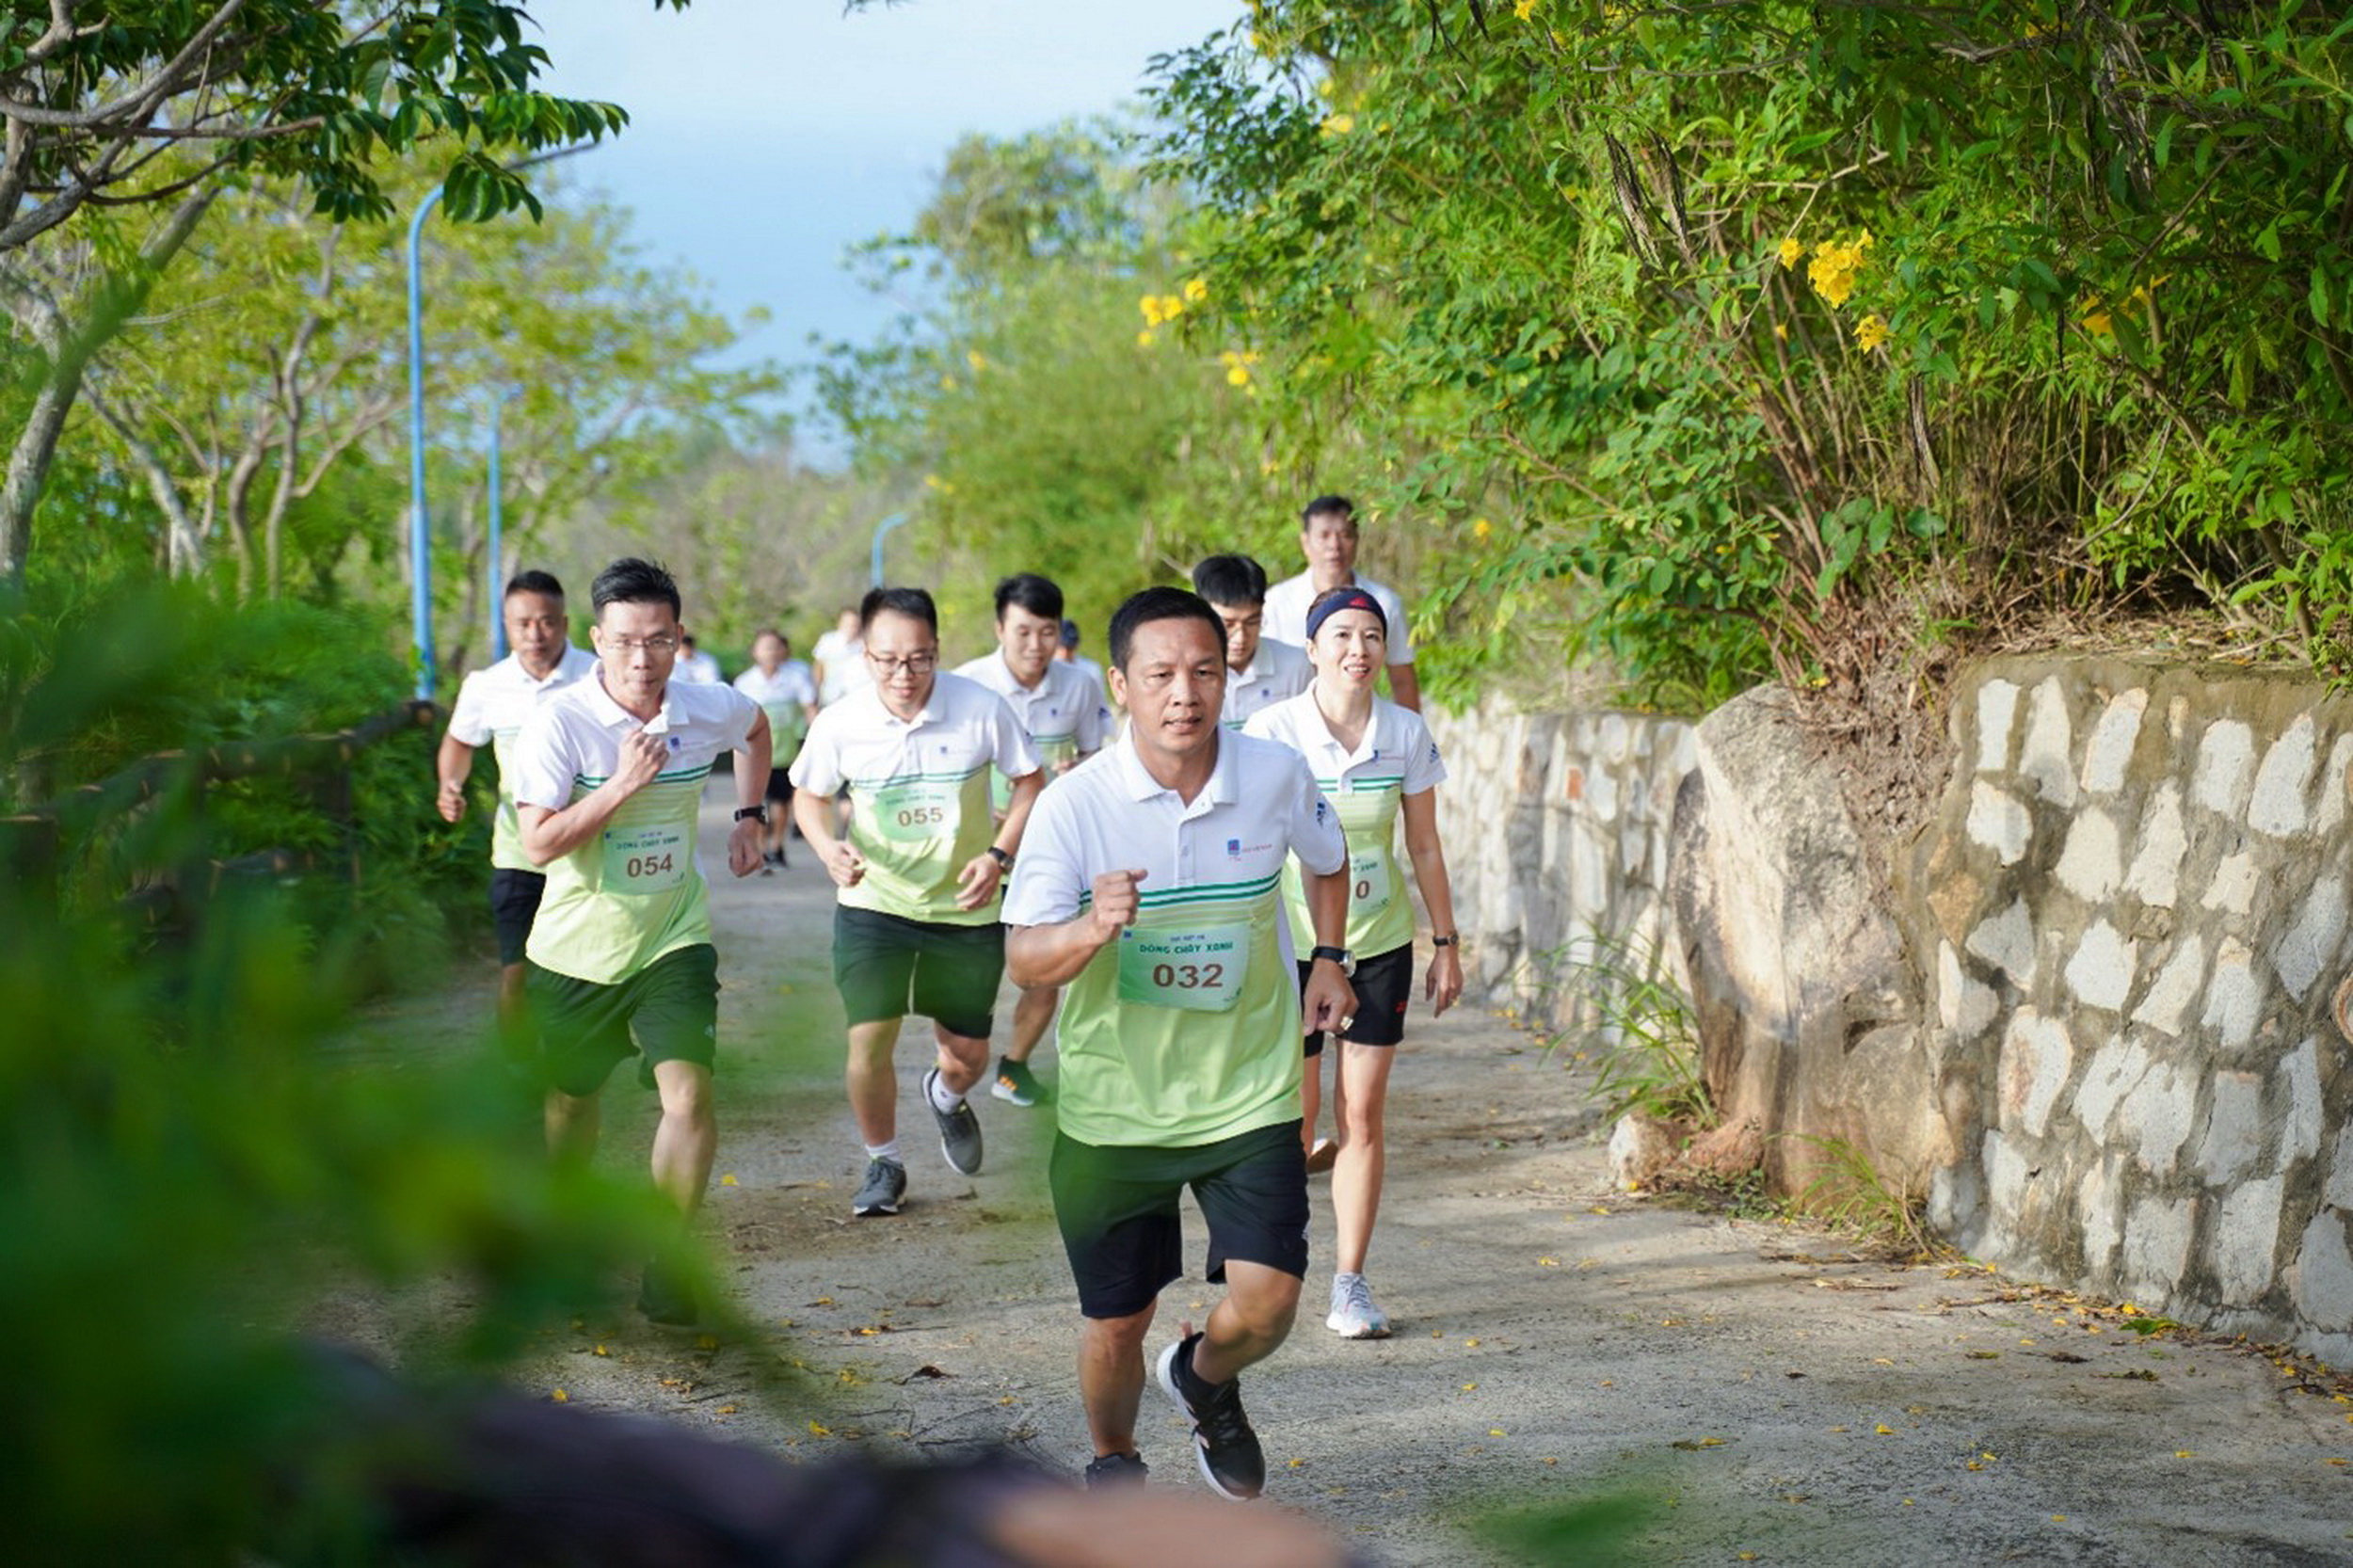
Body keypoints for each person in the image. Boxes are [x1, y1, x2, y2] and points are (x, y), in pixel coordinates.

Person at [1003, 586, 1356, 1500]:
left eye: (1204, 670)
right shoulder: (1075, 807)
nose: (1184, 693)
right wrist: (1090, 929)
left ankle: (1201, 1376)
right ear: (1120, 683)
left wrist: (1328, 956)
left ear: (1225, 675)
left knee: (1272, 1299)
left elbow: (1328, 859)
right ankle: (1113, 1459)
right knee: (1117, 1318)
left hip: (1247, 1089)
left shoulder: (1274, 774)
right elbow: (1024, 958)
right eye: (1159, 674)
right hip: (1115, 1106)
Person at [508, 557, 772, 1327]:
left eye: (658, 641)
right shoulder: (560, 722)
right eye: (624, 642)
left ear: (679, 639)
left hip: (672, 938)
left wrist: (749, 817)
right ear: (596, 640)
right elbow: (538, 844)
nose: (641, 659)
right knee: (571, 1105)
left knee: (688, 1095)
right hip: (575, 952)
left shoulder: (704, 706)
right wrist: (621, 785)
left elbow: (756, 727)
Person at [1244, 585, 1463, 1340]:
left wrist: (1446, 942)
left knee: (1361, 1116)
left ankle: (1350, 1285)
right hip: (1291, 951)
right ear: (1310, 649)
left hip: (1380, 944)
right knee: (1294, 1127)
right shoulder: (1272, 731)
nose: (1358, 650)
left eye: (1371, 636)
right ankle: (1274, 1274)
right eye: (1340, 635)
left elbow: (1425, 845)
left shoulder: (1405, 732)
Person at [789, 586, 1043, 1219]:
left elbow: (1030, 780)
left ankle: (947, 1097)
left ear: (938, 650)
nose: (904, 675)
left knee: (967, 1057)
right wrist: (826, 847)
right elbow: (808, 796)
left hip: (964, 908)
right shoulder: (842, 721)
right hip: (874, 904)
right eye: (887, 660)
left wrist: (999, 856)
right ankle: (885, 1161)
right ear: (864, 655)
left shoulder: (980, 709)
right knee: (867, 1041)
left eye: (919, 659)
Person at [952, 574, 1110, 1110]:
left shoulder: (1081, 684)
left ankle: (1014, 1065)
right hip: (979, 847)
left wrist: (1074, 770)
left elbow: (1099, 756)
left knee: (1046, 965)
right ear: (999, 629)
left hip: (1053, 849)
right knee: (974, 968)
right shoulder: (967, 686)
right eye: (1022, 632)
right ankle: (955, 1066)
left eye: (1046, 632)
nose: (1035, 646)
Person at [435, 570, 599, 1047]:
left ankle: (576, 1061)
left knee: (587, 967)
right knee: (517, 968)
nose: (535, 634)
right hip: (517, 851)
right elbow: (459, 743)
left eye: (546, 622)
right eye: (523, 623)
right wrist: (451, 784)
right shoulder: (487, 685)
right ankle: (515, 1068)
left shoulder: (596, 677)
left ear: (565, 623)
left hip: (586, 849)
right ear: (506, 626)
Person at [1261, 495, 1420, 712]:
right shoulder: (1277, 603)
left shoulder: (1384, 603)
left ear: (1357, 540)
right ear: (1305, 542)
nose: (1334, 546)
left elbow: (1402, 679)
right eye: (1324, 536)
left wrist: (1411, 738)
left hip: (1360, 721)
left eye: (1345, 535)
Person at [1191, 554, 1310, 731]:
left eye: (1252, 622)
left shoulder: (1298, 666)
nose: (1240, 637)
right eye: (1228, 624)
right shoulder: (1185, 673)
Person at [731, 629, 819, 870]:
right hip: (753, 752)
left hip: (786, 750)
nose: (770, 652)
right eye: (765, 647)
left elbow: (810, 708)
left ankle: (777, 846)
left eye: (775, 646)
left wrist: (815, 738)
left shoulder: (796, 677)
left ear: (784, 650)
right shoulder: (745, 682)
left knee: (781, 802)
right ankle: (759, 848)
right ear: (755, 652)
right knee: (756, 802)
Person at [813, 606, 871, 707]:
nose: (852, 627)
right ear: (839, 623)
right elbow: (819, 668)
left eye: (855, 624)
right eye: (848, 624)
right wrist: (815, 691)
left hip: (857, 696)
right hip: (830, 695)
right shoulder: (828, 641)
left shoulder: (866, 644)